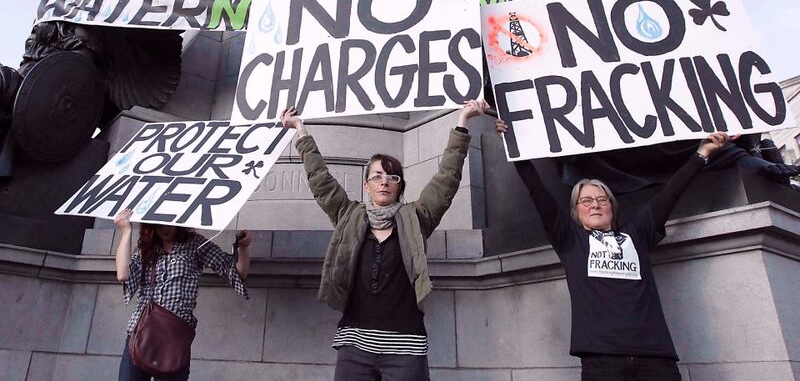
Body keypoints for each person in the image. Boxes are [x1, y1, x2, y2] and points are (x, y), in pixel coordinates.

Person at [497, 118, 729, 380]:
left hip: (655, 358)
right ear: (575, 211)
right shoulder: (569, 239)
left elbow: (671, 193)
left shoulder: (637, 233)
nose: (595, 205)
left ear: (611, 207)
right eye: (586, 200)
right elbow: (537, 191)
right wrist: (515, 147)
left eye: (601, 199)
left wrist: (702, 153)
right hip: (601, 361)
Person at [281, 100, 488, 381]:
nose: (384, 182)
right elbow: (321, 181)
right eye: (377, 176)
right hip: (354, 347)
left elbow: (446, 179)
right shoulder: (349, 215)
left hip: (406, 348)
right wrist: (300, 130)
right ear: (366, 185)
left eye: (392, 177)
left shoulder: (416, 218)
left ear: (399, 186)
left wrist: (463, 120)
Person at [114, 208, 251, 381]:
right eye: (158, 223)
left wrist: (243, 248)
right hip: (140, 332)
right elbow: (122, 274)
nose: (164, 228)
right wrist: (126, 231)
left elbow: (237, 272)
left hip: (175, 336)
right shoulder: (146, 249)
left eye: (168, 221)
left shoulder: (194, 244)